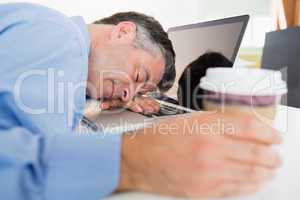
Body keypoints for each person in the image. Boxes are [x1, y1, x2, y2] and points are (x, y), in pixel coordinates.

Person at [0, 3, 283, 200]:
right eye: (138, 74)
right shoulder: (60, 38)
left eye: (139, 91)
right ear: (123, 32)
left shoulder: (55, 41)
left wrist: (98, 101)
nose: (127, 94)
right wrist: (130, 160)